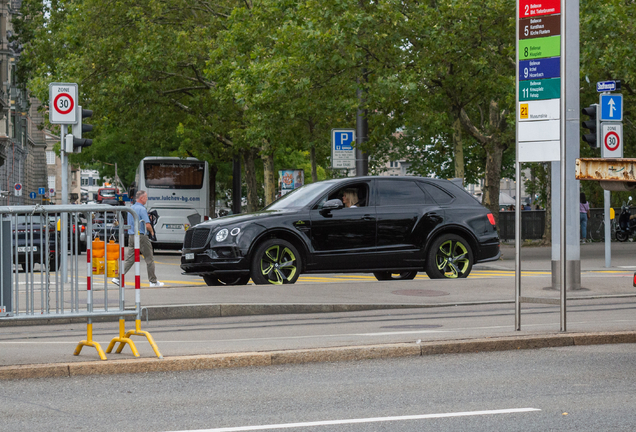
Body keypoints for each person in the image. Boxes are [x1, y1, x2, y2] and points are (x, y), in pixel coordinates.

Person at [112, 190, 164, 287]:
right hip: (141, 236)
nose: (147, 199)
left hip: (132, 236)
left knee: (130, 259)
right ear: (142, 198)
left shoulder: (131, 208)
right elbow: (147, 224)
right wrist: (152, 232)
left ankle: (117, 278)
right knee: (149, 259)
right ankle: (153, 281)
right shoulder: (142, 209)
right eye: (146, 197)